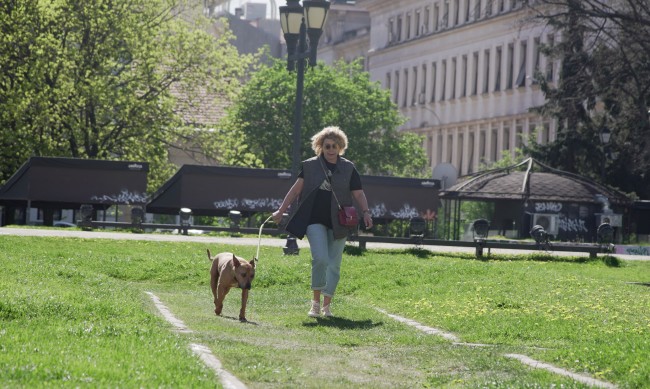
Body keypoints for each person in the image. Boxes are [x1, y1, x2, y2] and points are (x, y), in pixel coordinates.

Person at [272, 126, 373, 318]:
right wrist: (281, 210)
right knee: (320, 259)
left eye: (335, 146)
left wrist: (366, 212)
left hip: (340, 222)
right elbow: (295, 191)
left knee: (334, 264)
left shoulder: (349, 168)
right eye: (327, 146)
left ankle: (327, 306)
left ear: (341, 146)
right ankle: (315, 304)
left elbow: (358, 193)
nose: (331, 149)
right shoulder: (310, 166)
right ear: (320, 146)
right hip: (314, 220)